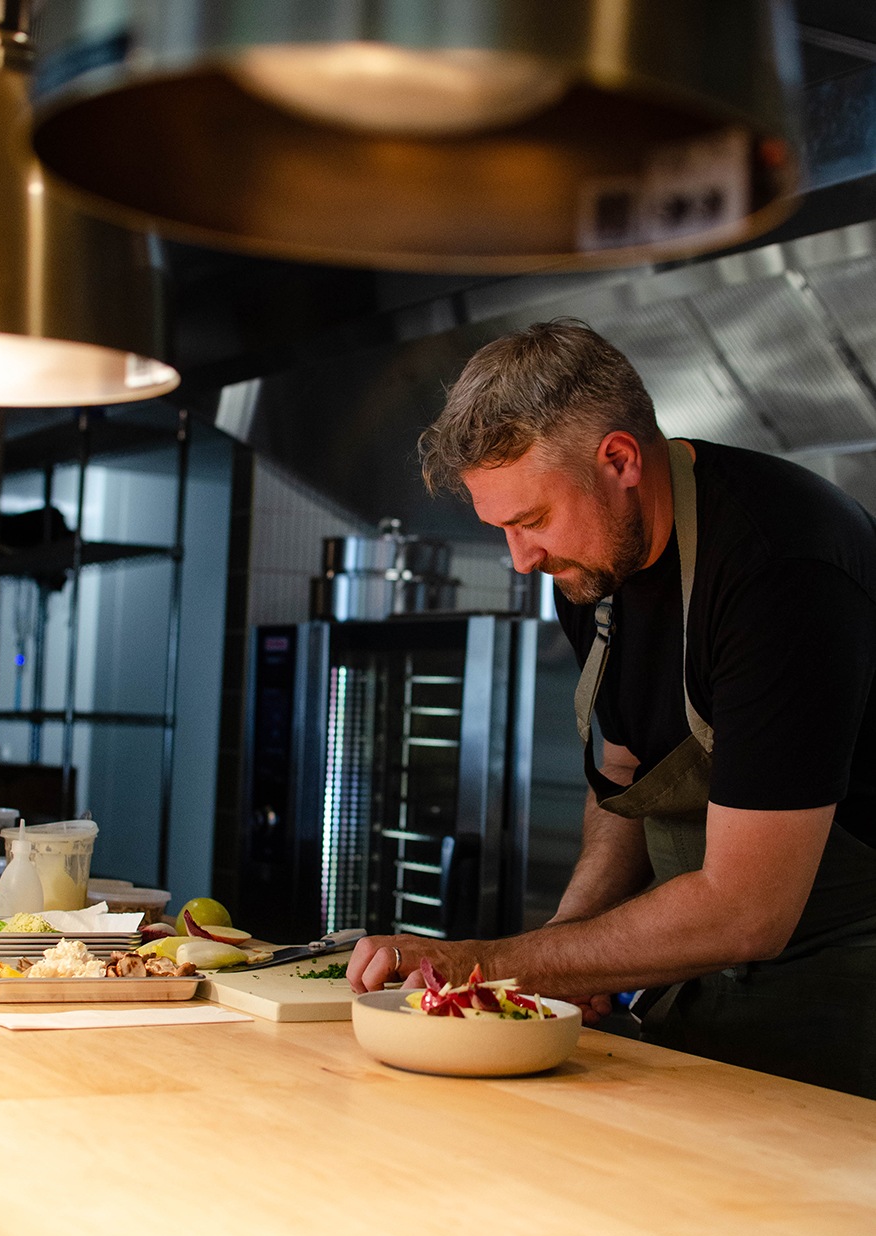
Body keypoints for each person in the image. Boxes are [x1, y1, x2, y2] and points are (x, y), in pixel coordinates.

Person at [347, 318, 876, 1099]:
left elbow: (747, 907)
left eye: (530, 521)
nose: (521, 559)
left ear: (620, 459)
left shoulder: (781, 568)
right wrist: (570, 950)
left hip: (842, 1006)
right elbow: (632, 779)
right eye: (502, 529)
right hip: (700, 990)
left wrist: (490, 963)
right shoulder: (592, 565)